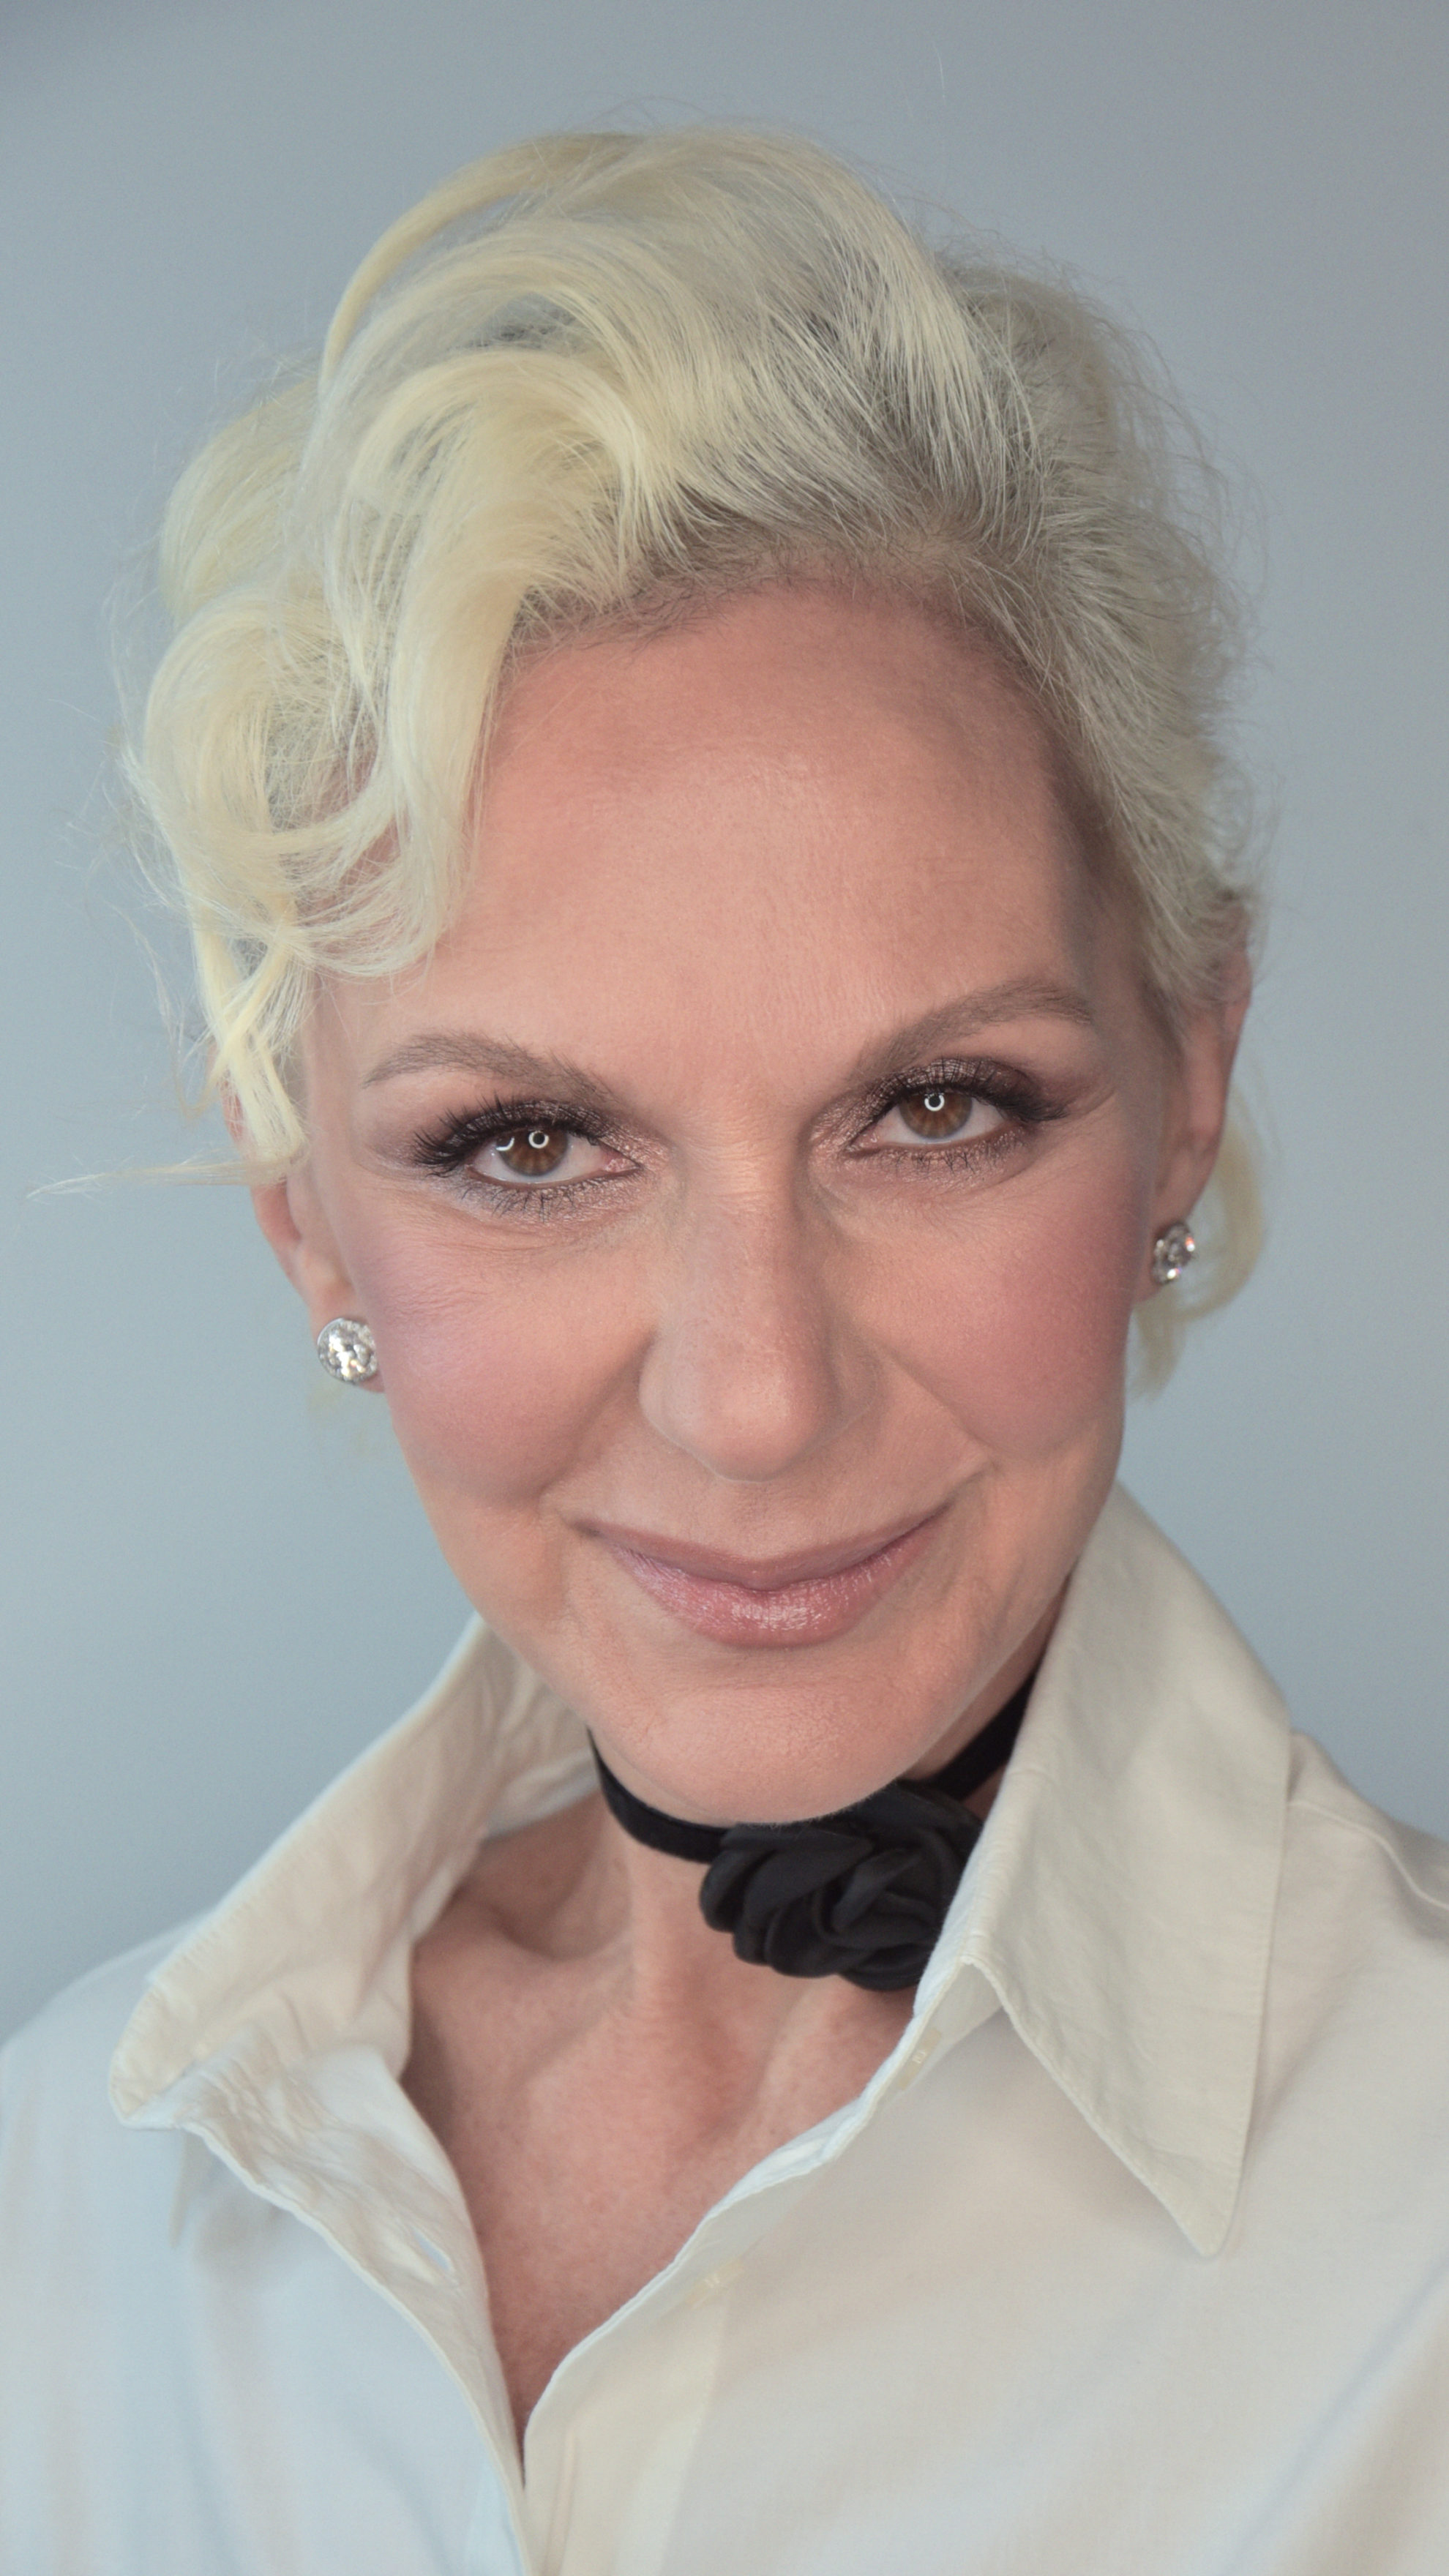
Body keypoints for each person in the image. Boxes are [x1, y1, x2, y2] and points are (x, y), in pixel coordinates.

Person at [3, 124, 1448, 2576]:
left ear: (1185, 1080)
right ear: (304, 1209)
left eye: (936, 1109)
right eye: (527, 1144)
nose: (754, 1401)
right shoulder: (66, 2193)